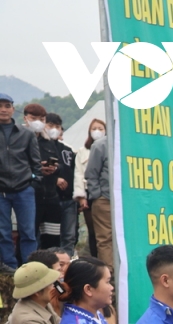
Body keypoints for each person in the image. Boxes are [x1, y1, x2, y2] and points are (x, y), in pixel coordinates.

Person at [0, 93, 42, 270]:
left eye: (7, 105)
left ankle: (29, 266)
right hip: (1, 191)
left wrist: (34, 181)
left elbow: (36, 162)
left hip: (24, 189)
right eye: (0, 106)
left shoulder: (26, 134)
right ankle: (9, 265)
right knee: (3, 231)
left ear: (13, 109)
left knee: (28, 231)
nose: (3, 109)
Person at [35, 113, 76, 251]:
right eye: (50, 125)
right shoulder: (39, 145)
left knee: (68, 235)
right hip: (48, 197)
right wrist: (54, 179)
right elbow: (44, 168)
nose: (54, 129)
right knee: (45, 235)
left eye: (57, 126)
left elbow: (69, 170)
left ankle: (66, 262)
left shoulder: (67, 150)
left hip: (68, 198)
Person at [82, 118, 113, 281]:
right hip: (105, 199)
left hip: (127, 201)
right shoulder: (100, 145)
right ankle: (109, 276)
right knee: (104, 239)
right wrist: (98, 195)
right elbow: (91, 174)